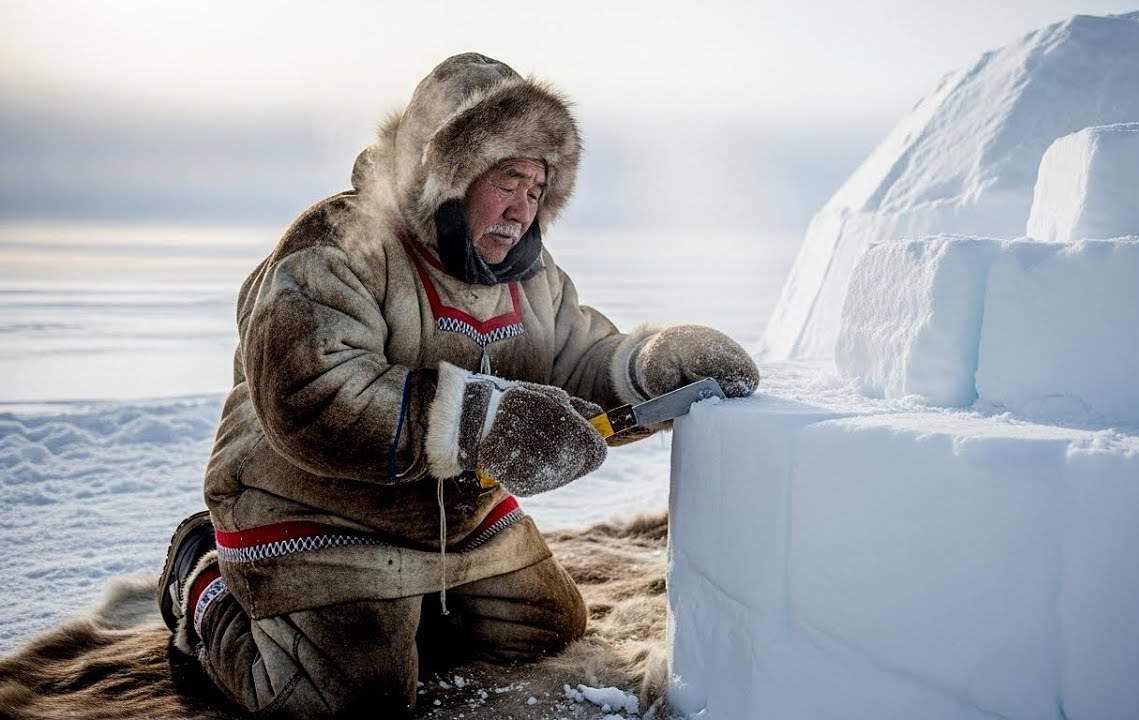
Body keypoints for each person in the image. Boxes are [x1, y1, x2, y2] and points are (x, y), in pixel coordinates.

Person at [155, 52, 758, 719]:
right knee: (349, 700)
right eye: (509, 181)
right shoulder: (336, 243)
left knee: (552, 628)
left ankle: (416, 605)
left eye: (538, 190)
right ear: (446, 171)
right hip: (316, 509)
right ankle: (201, 581)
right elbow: (312, 395)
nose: (522, 210)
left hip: (458, 513)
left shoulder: (531, 277)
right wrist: (482, 422)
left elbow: (579, 356)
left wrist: (652, 365)